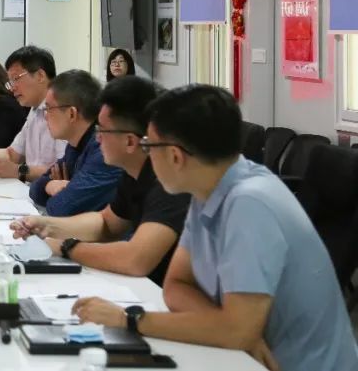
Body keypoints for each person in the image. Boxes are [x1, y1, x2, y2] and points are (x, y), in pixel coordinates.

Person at [73, 85, 358, 371]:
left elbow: (236, 331)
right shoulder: (208, 189)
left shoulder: (250, 204)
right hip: (245, 358)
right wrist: (231, 330)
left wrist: (129, 319)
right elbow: (176, 287)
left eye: (149, 146)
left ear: (175, 156)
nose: (146, 154)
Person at [11, 76, 189, 285]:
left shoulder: (169, 182)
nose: (97, 138)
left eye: (102, 130)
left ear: (130, 142)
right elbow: (106, 223)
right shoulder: (134, 172)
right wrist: (47, 226)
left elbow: (135, 259)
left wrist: (66, 247)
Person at [27, 70, 122, 215]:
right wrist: (50, 185)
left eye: (49, 108)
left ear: (72, 113)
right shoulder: (75, 145)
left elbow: (61, 208)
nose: (46, 116)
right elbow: (35, 187)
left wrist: (64, 193)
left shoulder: (104, 151)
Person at [0, 46, 66, 183]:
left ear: (40, 76)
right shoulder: (34, 109)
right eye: (10, 82)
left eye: (16, 79)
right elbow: (12, 154)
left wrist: (19, 171)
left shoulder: (62, 110)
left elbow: (62, 170)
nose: (12, 88)